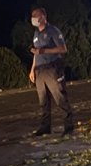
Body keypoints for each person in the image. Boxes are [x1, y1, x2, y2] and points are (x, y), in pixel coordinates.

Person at [29, 7, 74, 136]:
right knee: (43, 101)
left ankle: (69, 126)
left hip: (52, 68)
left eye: (35, 15)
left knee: (59, 97)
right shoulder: (36, 33)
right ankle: (45, 127)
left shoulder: (53, 31)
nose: (33, 18)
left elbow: (63, 49)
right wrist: (32, 69)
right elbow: (36, 52)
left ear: (43, 17)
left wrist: (44, 51)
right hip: (40, 70)